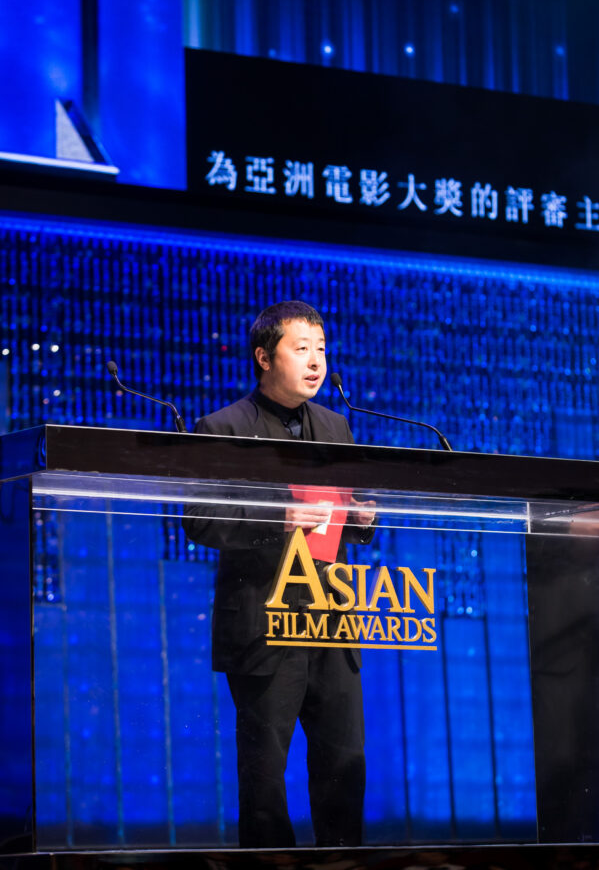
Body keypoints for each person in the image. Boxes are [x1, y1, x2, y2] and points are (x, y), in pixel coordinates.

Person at [184, 301, 375, 848]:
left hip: (331, 618)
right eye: (301, 349)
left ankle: (342, 863)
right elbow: (199, 519)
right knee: (265, 774)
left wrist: (361, 519)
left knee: (346, 761)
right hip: (264, 623)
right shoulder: (222, 428)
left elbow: (343, 513)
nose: (316, 362)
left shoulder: (336, 426)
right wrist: (279, 519)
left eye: (321, 350)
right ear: (264, 357)